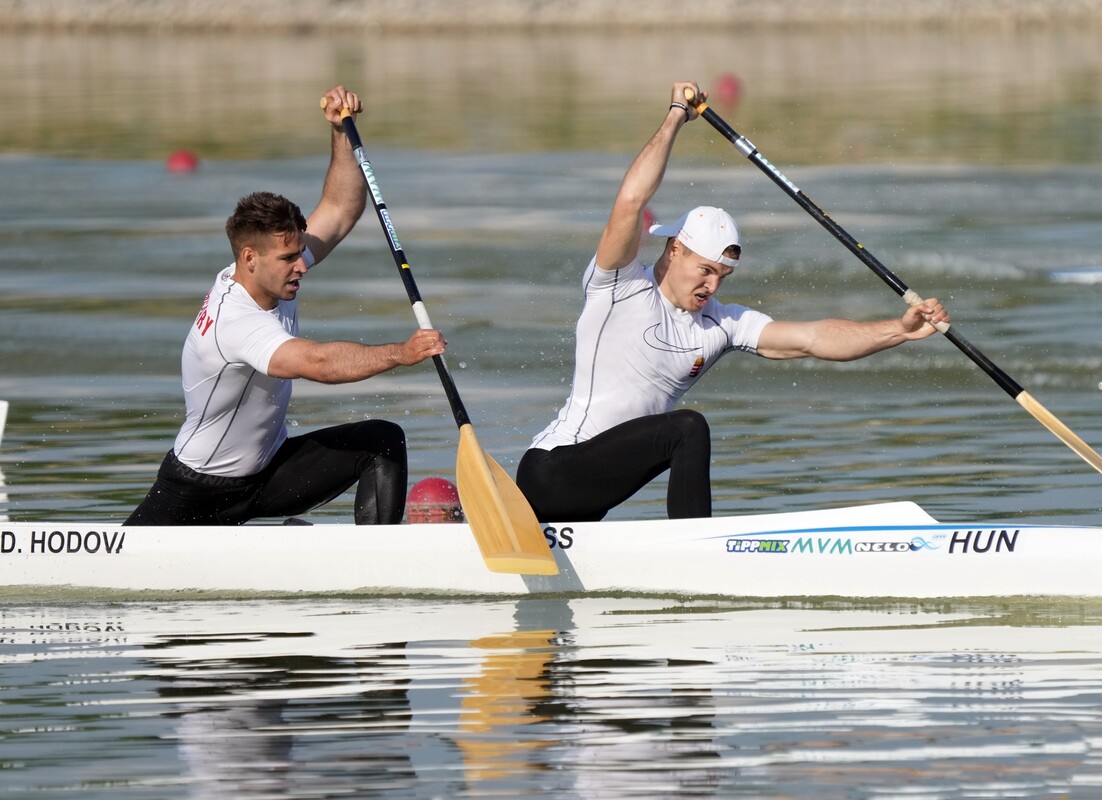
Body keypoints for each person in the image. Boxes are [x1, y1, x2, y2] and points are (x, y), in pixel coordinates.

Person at [516, 80, 949, 523]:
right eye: (705, 270)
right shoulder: (619, 287)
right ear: (674, 250)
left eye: (722, 277)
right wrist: (674, 116)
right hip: (551, 472)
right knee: (687, 428)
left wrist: (899, 329)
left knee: (682, 431)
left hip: (596, 496)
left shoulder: (719, 324)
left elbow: (813, 339)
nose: (713, 287)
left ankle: (688, 551)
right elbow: (630, 201)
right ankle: (698, 548)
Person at [126, 85, 447, 526]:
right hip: (197, 489)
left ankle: (377, 560)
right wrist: (401, 353)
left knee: (382, 441)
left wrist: (339, 132)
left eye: (300, 253)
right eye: (289, 259)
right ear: (249, 259)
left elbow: (338, 209)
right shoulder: (235, 321)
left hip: (268, 473)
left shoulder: (272, 273)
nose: (303, 266)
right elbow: (315, 362)